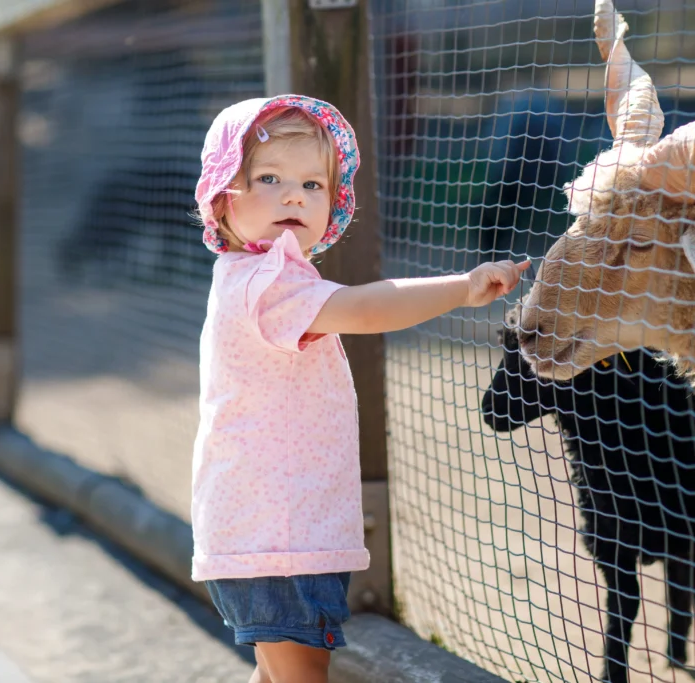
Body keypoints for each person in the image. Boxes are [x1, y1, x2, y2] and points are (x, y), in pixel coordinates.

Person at [191, 94, 529, 683]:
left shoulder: (261, 276)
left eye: (313, 184)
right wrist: (461, 288)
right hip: (277, 538)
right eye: (268, 178)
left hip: (275, 531)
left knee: (279, 674)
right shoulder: (268, 284)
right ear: (224, 197)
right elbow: (367, 308)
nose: (294, 195)